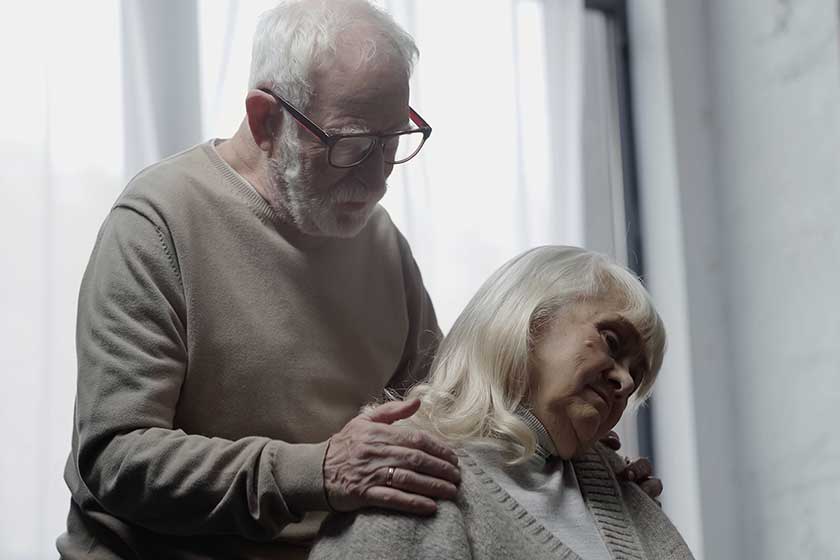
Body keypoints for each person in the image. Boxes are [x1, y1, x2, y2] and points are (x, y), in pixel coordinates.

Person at [57, 1, 659, 558]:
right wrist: (315, 472)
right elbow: (114, 458)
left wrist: (575, 465)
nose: (377, 180)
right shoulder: (158, 223)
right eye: (351, 144)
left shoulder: (375, 237)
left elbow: (455, 403)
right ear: (266, 120)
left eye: (393, 141)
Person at [310, 246, 693, 560]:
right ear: (530, 318)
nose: (625, 381)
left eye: (636, 375)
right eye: (612, 342)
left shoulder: (623, 490)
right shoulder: (409, 472)